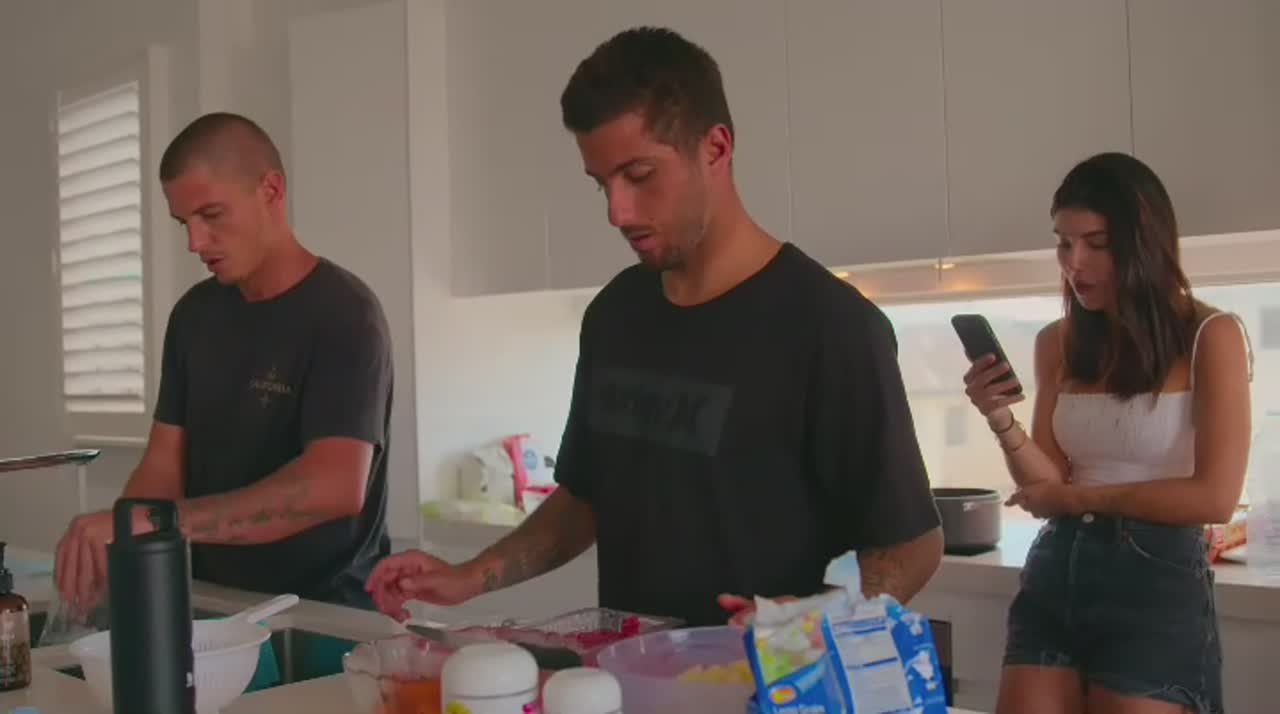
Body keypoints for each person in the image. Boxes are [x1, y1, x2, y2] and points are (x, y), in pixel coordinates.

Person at [367, 27, 942, 628]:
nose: (617, 211)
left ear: (715, 148)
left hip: (772, 674)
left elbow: (913, 545)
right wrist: (470, 576)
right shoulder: (615, 314)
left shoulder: (830, 327)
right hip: (627, 670)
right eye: (602, 183)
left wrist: (823, 615)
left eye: (640, 175)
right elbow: (585, 499)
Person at [55, 112, 394, 610]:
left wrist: (161, 521)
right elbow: (163, 465)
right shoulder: (194, 315)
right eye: (184, 223)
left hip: (325, 616)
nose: (194, 242)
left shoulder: (345, 313)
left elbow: (334, 486)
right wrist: (120, 541)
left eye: (211, 215)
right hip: (212, 605)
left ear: (271, 191)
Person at [962, 152, 1252, 714]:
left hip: (1156, 578)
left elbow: (1215, 497)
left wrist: (1078, 499)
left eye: (1096, 244)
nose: (1075, 263)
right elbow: (1048, 483)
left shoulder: (1211, 335)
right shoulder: (1057, 342)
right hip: (1058, 566)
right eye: (1064, 243)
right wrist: (999, 418)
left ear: (1144, 245)